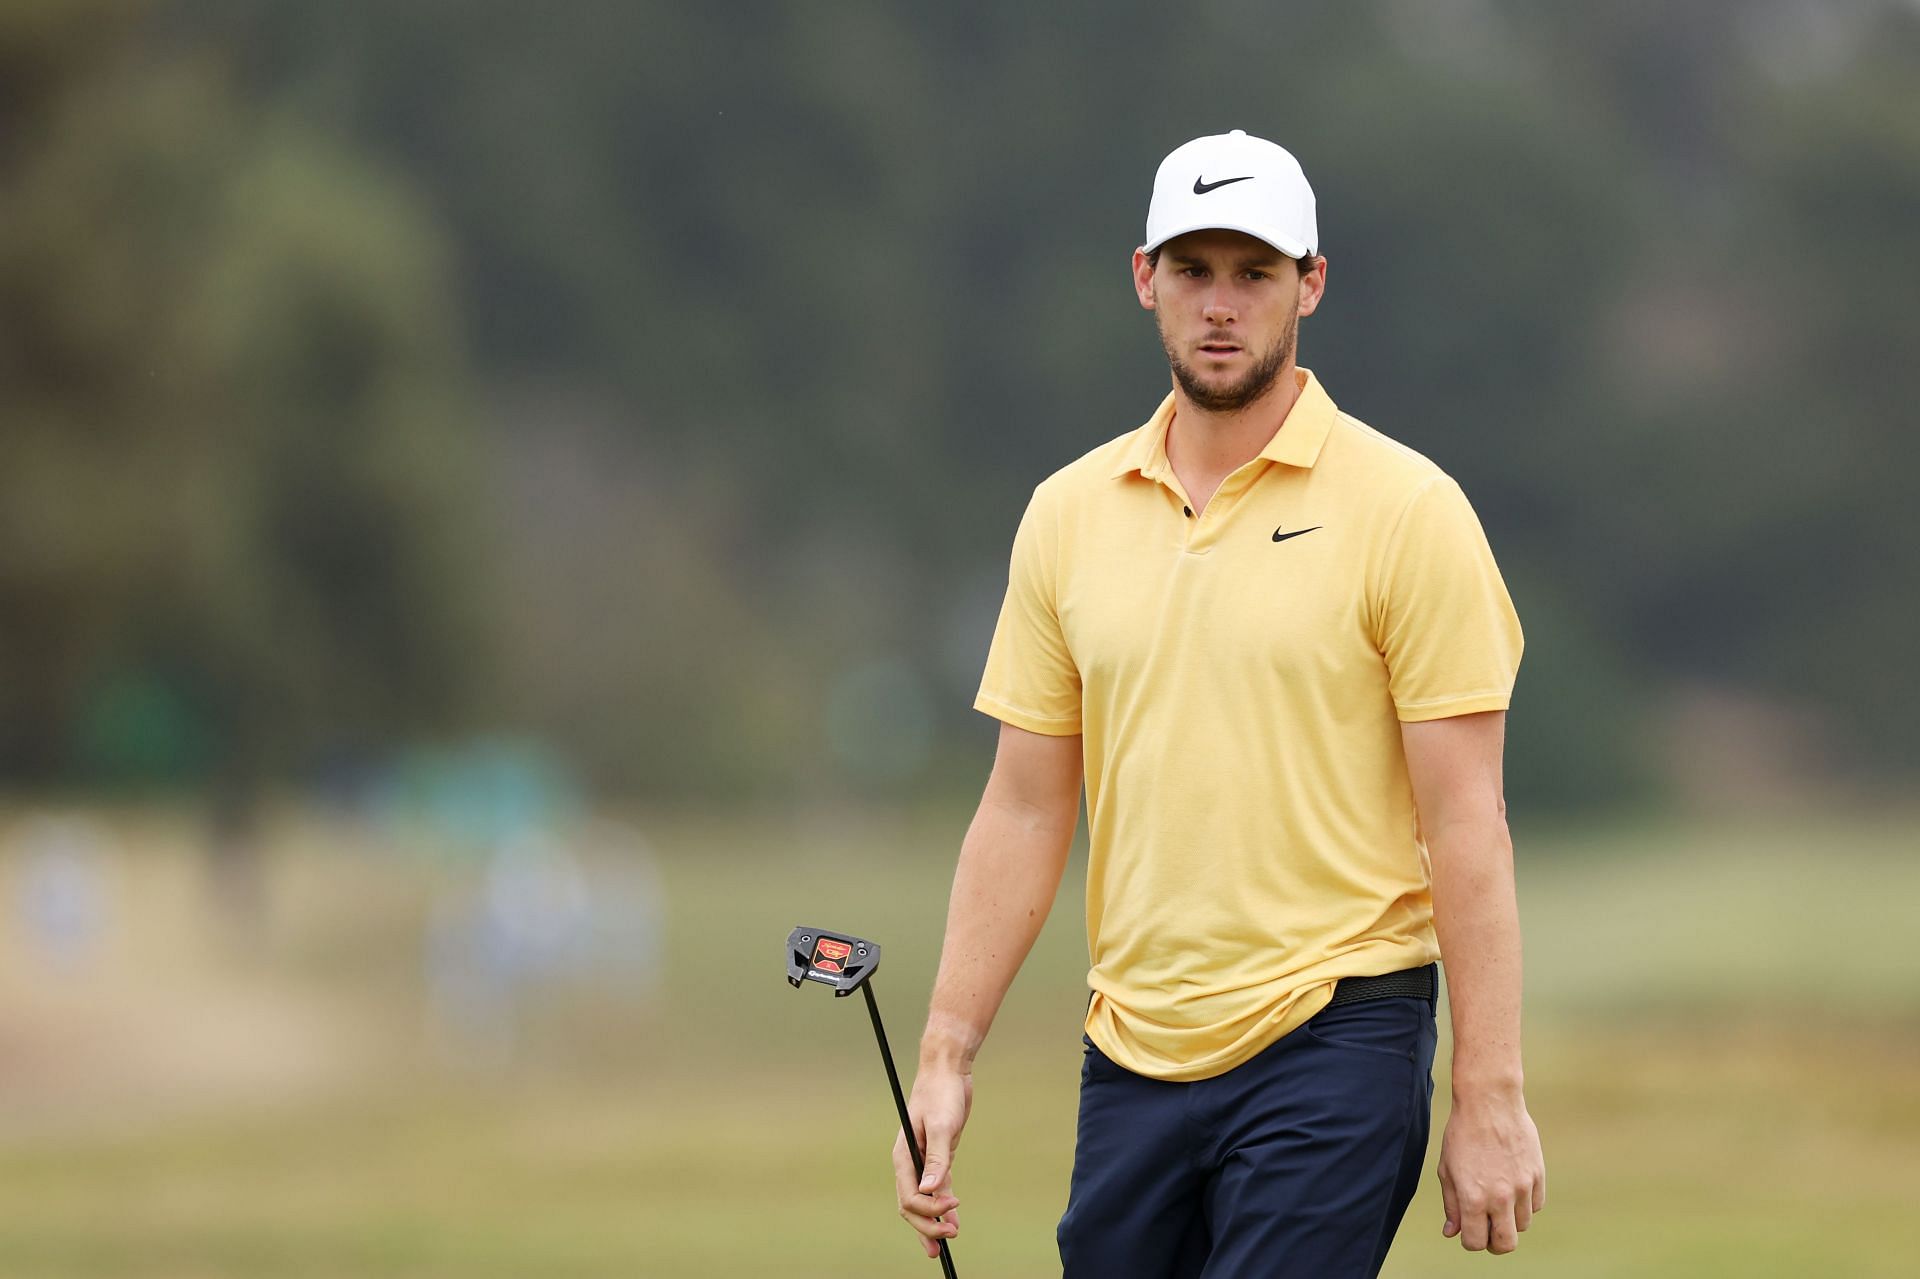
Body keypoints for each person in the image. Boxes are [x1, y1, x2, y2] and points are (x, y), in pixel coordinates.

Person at [892, 129, 1547, 1276]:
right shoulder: (1067, 514)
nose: (1221, 305)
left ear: (1311, 284)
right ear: (1145, 276)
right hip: (1132, 1048)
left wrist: (1488, 1094)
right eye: (1194, 270)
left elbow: (1466, 822)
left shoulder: (1408, 510)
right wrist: (947, 1047)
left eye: (1255, 272)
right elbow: (1026, 808)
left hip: (1336, 1030)